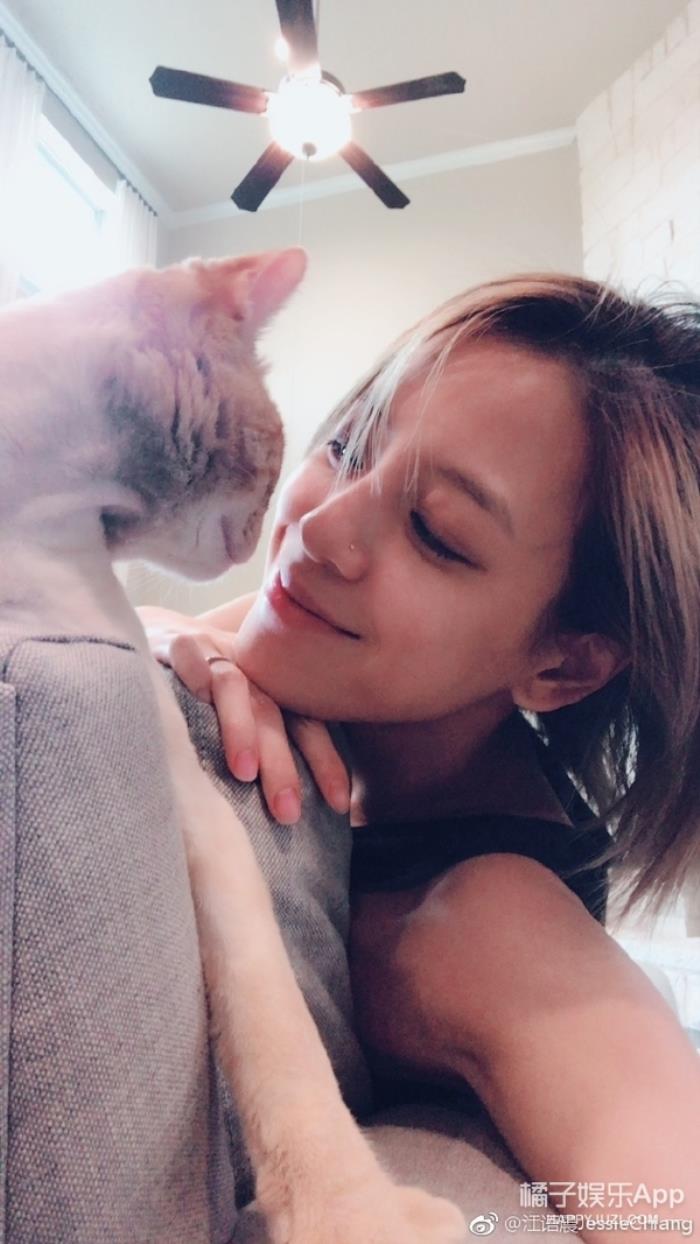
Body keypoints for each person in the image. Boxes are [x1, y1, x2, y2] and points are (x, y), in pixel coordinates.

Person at [141, 272, 700, 1242]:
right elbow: (154, 634)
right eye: (348, 447)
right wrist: (153, 637)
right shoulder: (339, 653)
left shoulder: (491, 920)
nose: (320, 528)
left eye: (437, 534)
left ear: (562, 663)